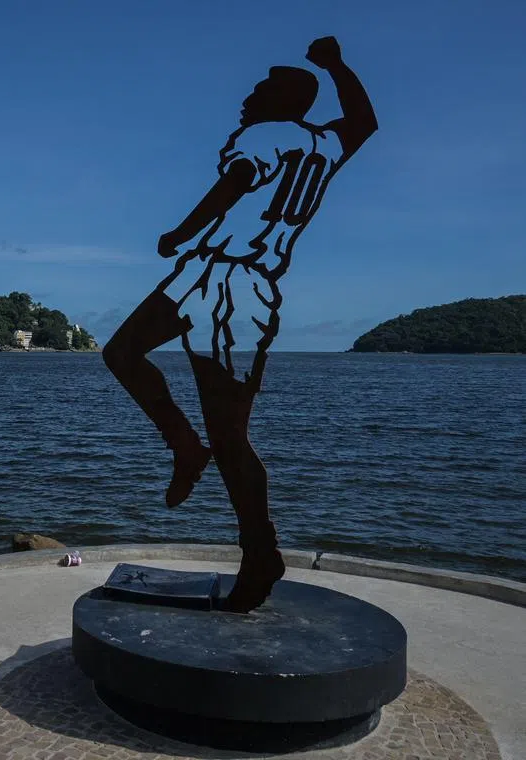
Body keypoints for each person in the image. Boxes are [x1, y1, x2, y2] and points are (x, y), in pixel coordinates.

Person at [103, 36, 377, 612]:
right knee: (122, 352)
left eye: (260, 90)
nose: (247, 97)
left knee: (229, 436)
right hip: (215, 276)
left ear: (283, 102)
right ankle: (183, 444)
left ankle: (261, 552)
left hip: (232, 282)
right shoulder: (326, 144)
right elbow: (364, 120)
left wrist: (177, 233)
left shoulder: (267, 134)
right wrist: (337, 67)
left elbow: (233, 184)